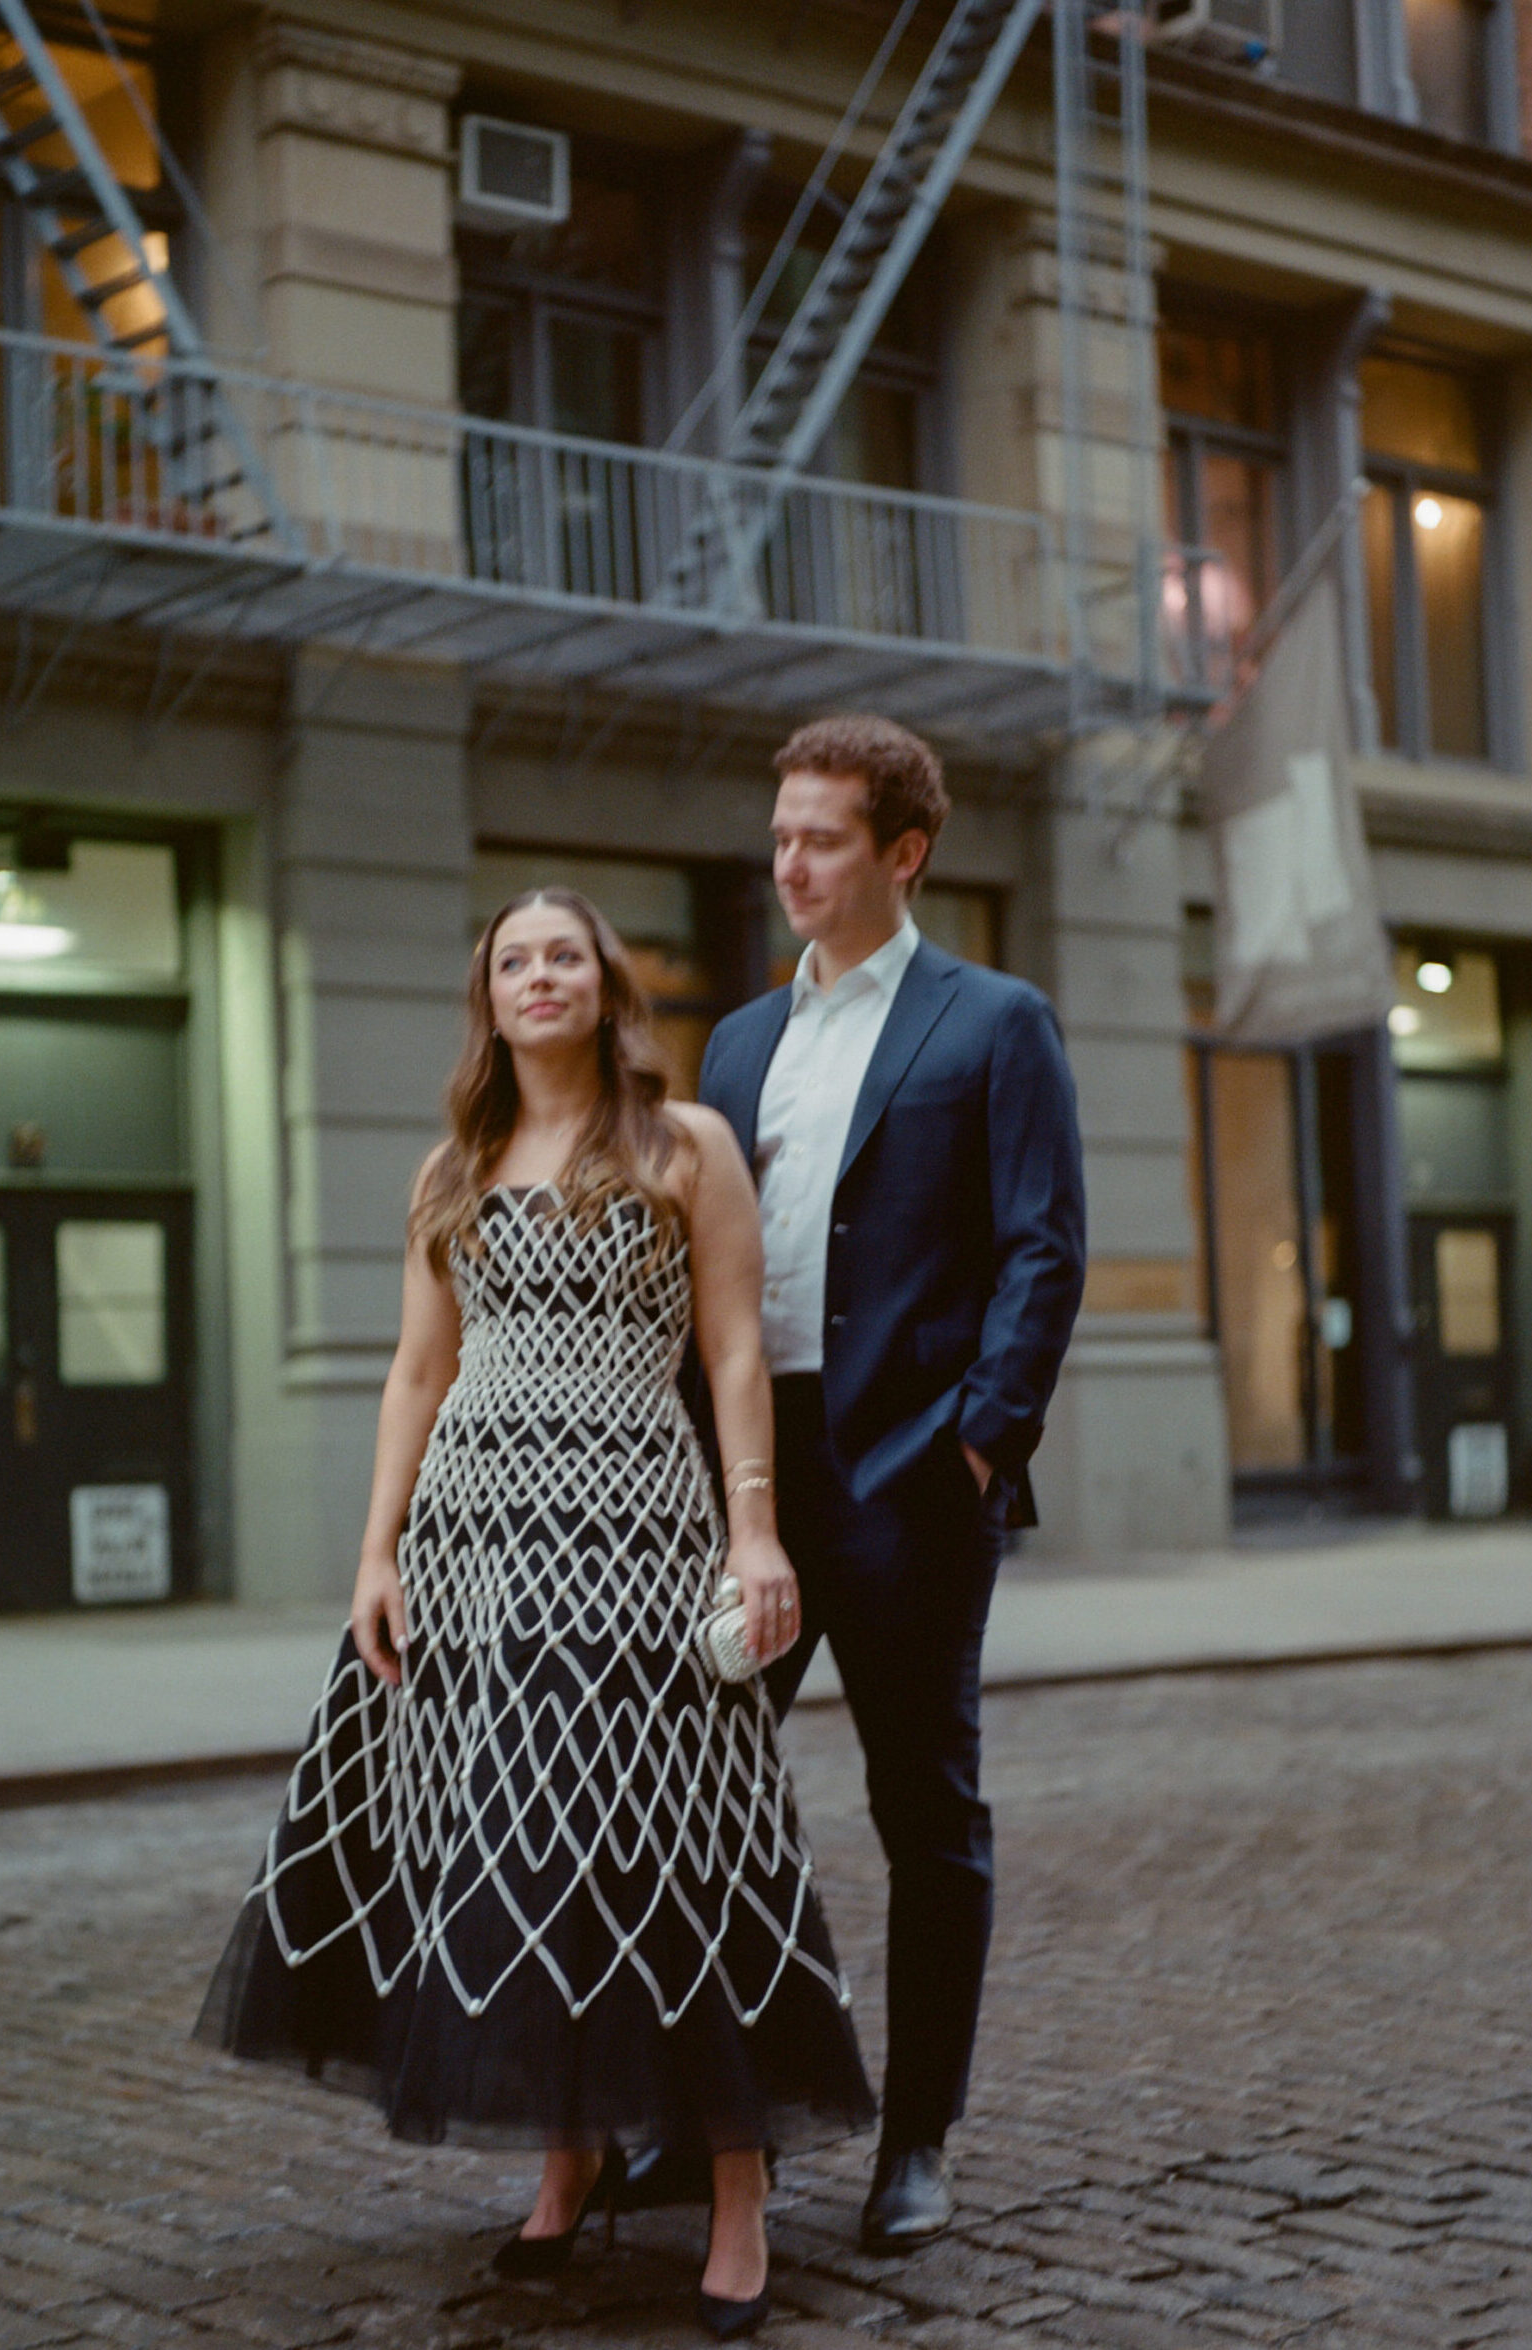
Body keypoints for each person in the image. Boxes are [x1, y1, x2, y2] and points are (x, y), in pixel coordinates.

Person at [195, 887, 874, 2341]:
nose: (540, 976)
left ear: (606, 985)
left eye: (565, 954)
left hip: (637, 1530)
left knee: (676, 1837)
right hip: (475, 1547)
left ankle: (739, 2184)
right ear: (490, 998)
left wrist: (755, 1531)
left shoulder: (684, 1143)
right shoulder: (454, 1167)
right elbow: (416, 1373)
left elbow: (735, 1347)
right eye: (515, 960)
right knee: (517, 1843)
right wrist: (375, 1555)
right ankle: (570, 2159)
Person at [630, 714, 1087, 2253]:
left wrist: (978, 1442)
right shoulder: (739, 1043)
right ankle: (708, 2116)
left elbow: (1043, 1248)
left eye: (821, 837)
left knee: (925, 1811)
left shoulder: (995, 1021)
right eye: (779, 836)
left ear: (905, 851)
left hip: (910, 1473)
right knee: (689, 1786)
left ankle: (917, 2138)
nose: (790, 863)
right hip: (753, 1478)